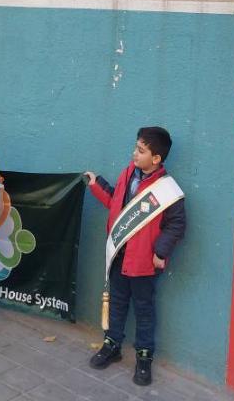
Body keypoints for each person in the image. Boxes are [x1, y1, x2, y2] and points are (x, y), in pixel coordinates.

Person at [84, 127, 186, 386]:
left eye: (141, 150)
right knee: (117, 304)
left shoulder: (167, 190)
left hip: (144, 264)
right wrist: (96, 184)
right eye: (136, 148)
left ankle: (144, 356)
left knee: (144, 310)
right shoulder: (128, 174)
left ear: (156, 158)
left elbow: (176, 225)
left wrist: (160, 252)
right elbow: (116, 203)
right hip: (119, 255)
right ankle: (112, 344)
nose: (134, 154)